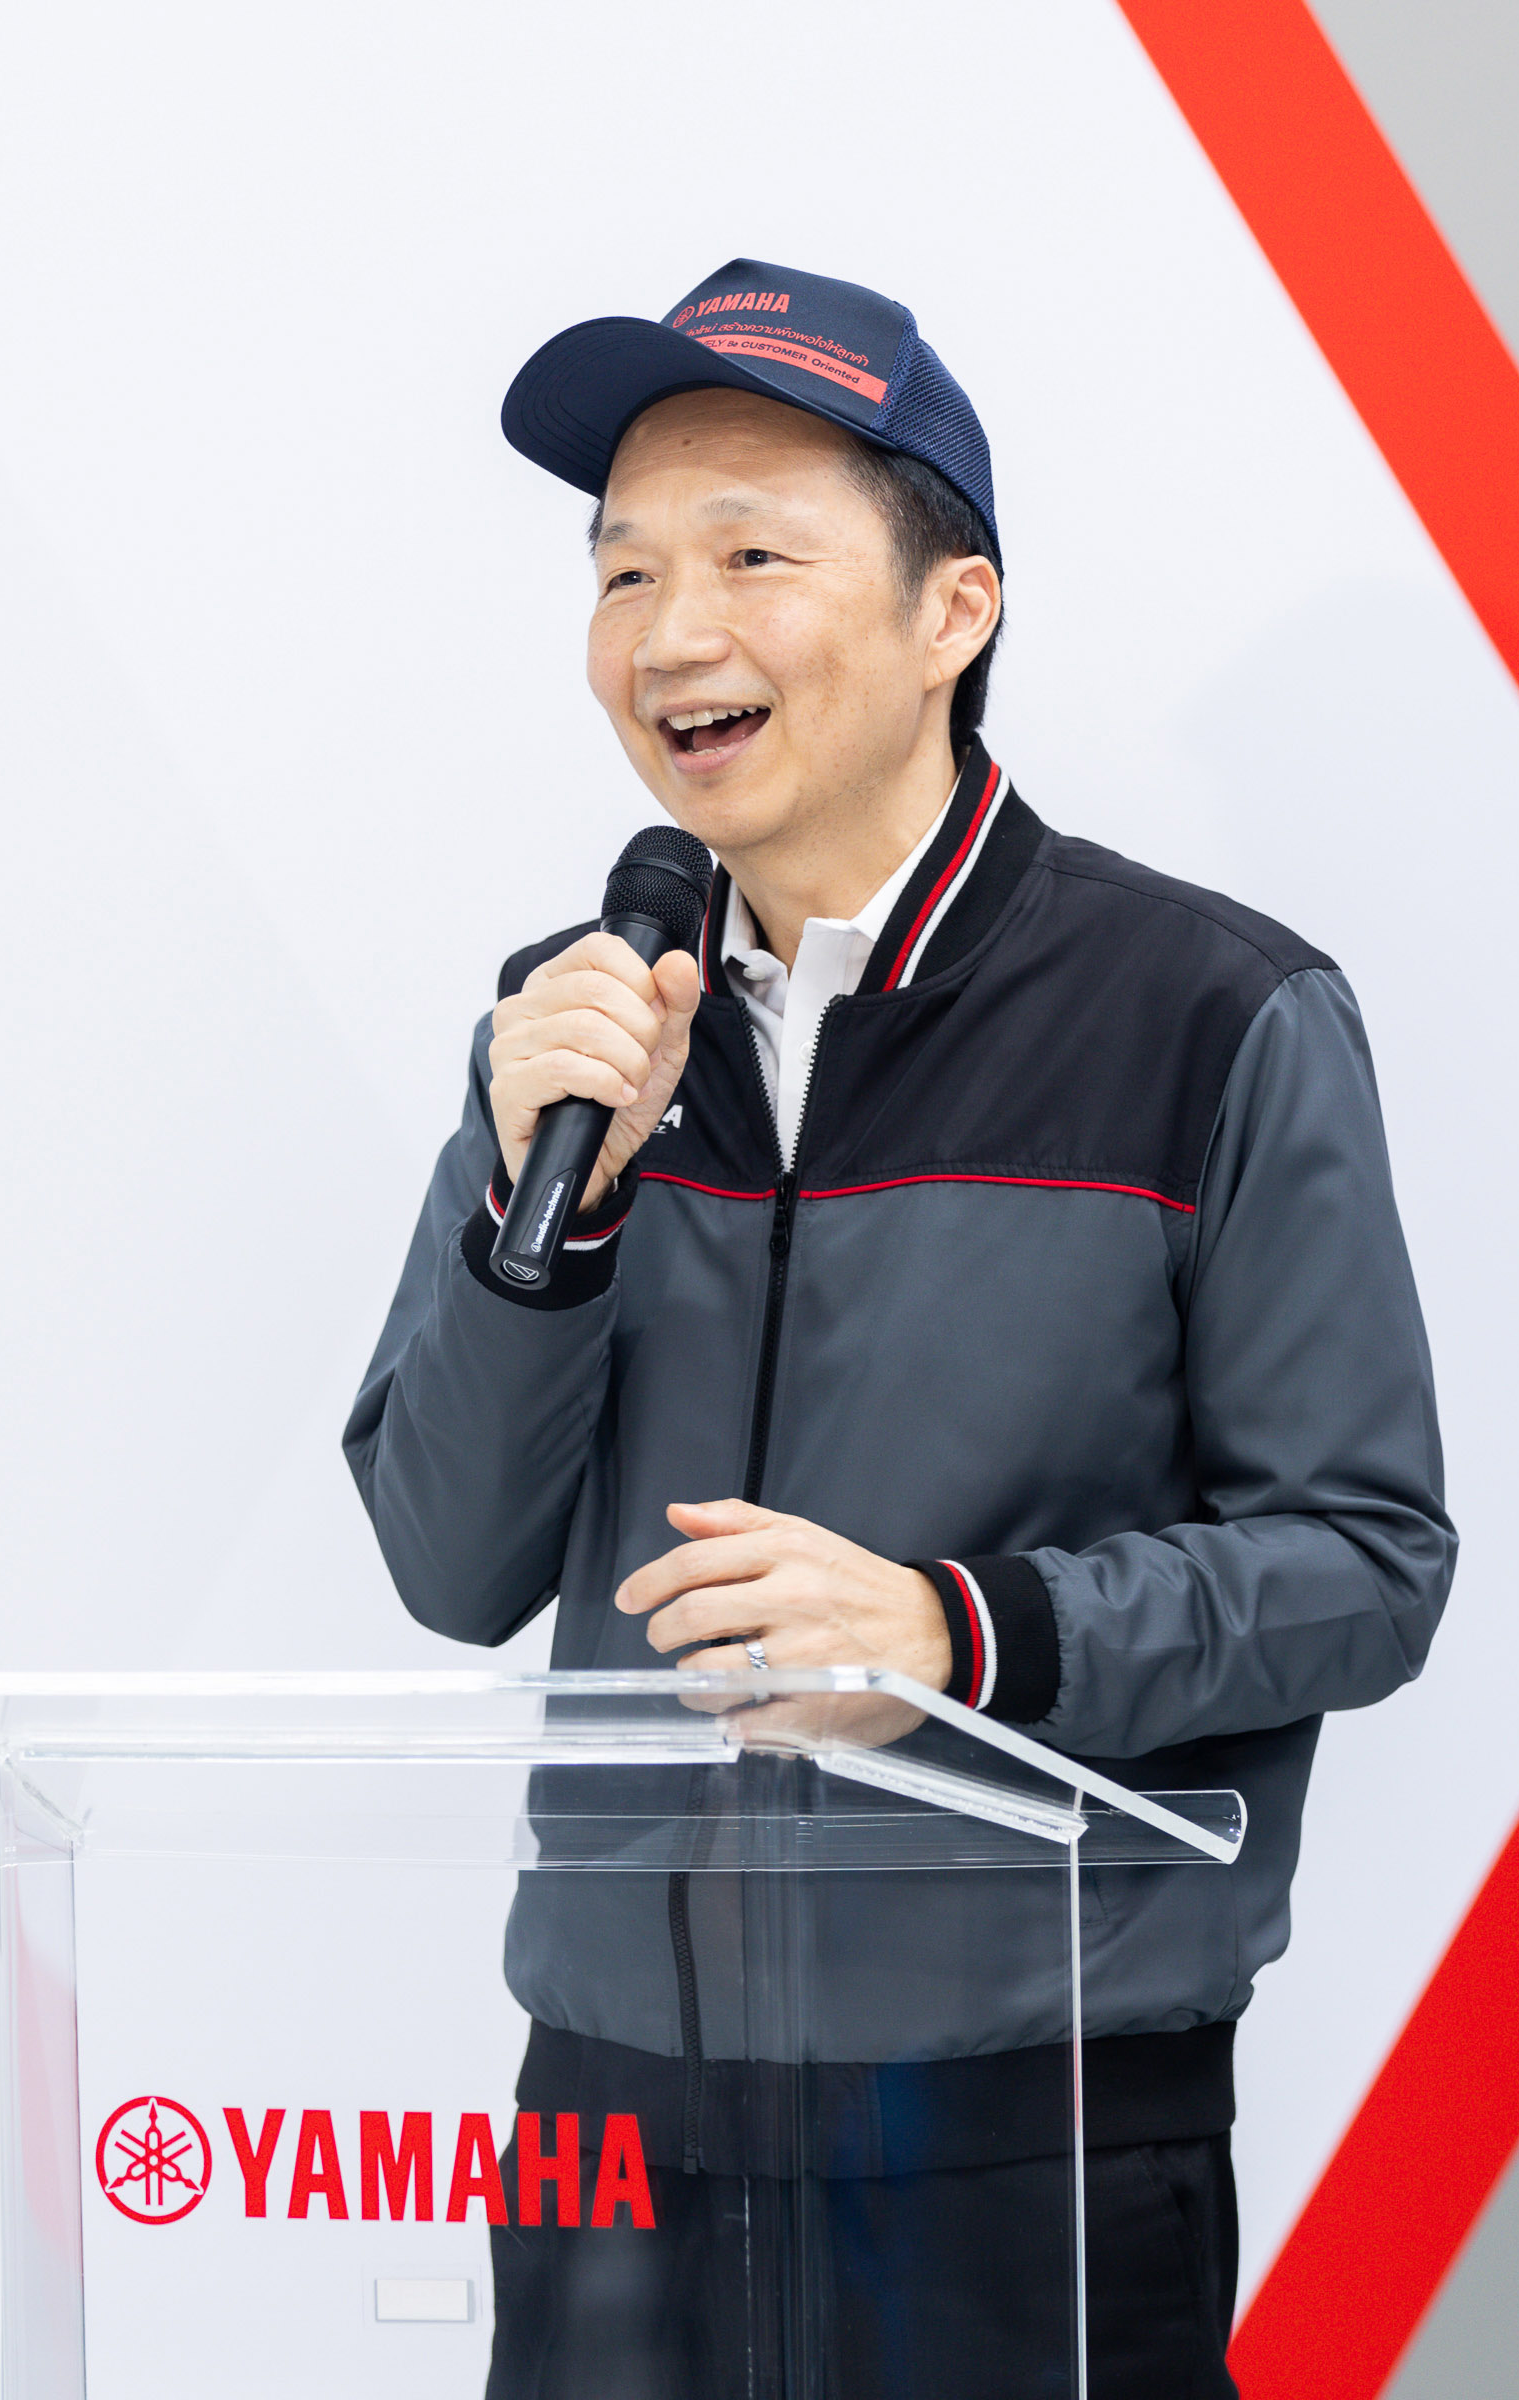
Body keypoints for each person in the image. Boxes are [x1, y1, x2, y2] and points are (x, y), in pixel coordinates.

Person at [345, 258, 1456, 2398]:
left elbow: (1365, 1568)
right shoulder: (574, 1030)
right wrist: (544, 1220)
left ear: (957, 609)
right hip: (610, 2121)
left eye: (752, 556)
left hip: (1024, 2124)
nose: (671, 633)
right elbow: (449, 1558)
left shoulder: (1210, 1018)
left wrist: (959, 1636)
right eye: (625, 569)